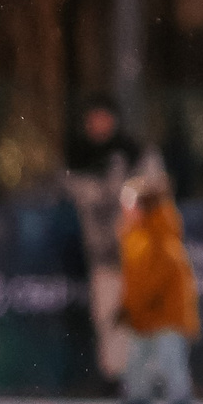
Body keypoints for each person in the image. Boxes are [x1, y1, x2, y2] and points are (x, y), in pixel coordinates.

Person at [62, 96, 151, 382]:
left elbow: (151, 186)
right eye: (94, 119)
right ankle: (115, 377)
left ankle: (141, 376)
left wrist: (122, 192)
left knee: (140, 313)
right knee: (106, 314)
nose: (99, 125)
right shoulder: (79, 155)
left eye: (104, 118)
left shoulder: (132, 151)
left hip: (134, 249)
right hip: (100, 250)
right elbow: (72, 188)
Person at [110, 169, 199, 404]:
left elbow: (156, 280)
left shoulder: (161, 237)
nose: (125, 211)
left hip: (167, 314)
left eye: (129, 205)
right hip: (144, 314)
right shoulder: (134, 236)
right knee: (137, 363)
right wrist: (127, 306)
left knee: (170, 360)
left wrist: (133, 306)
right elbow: (134, 280)